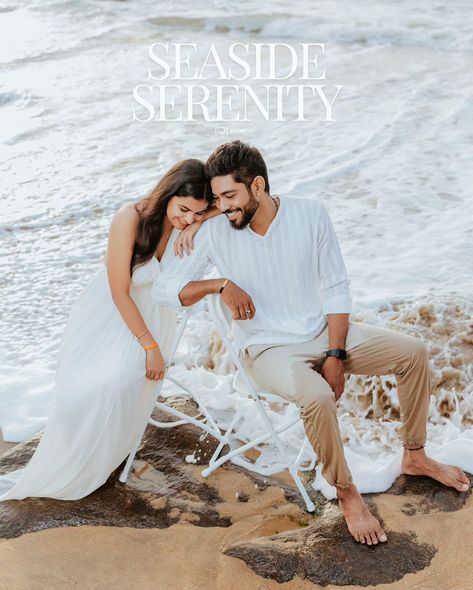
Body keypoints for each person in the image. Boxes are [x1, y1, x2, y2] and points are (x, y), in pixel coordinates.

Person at [152, 140, 470, 546]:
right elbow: (164, 289)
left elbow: (337, 287)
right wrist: (219, 284)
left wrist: (335, 354)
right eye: (215, 199)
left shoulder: (310, 213)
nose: (221, 206)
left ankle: (415, 454)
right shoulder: (214, 232)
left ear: (258, 186)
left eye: (229, 196)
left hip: (320, 331)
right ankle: (346, 491)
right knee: (317, 397)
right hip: (265, 349)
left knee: (414, 353)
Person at [0, 158, 218, 501]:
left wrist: (199, 221)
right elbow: (120, 292)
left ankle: (111, 454)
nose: (188, 218)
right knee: (102, 384)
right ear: (168, 193)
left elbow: (233, 203)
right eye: (184, 209)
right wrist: (150, 347)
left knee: (128, 383)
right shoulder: (129, 218)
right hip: (111, 313)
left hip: (155, 313)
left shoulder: (191, 218)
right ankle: (79, 458)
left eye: (197, 213)